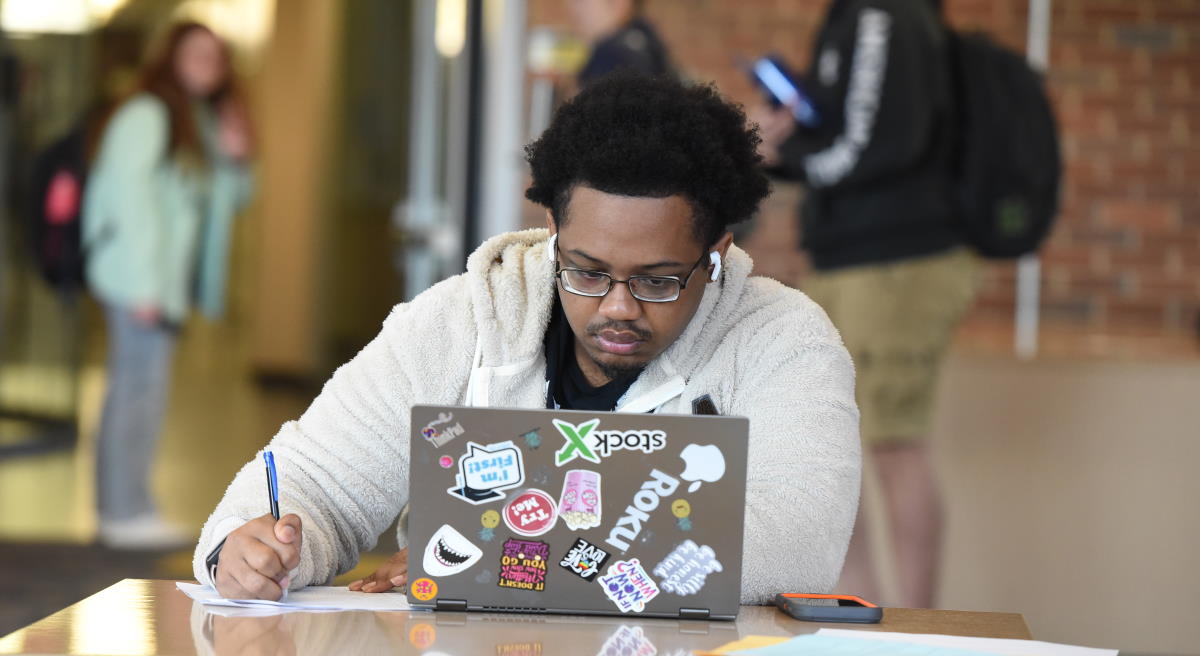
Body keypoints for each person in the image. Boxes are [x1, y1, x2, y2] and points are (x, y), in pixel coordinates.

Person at [193, 73, 860, 604]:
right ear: (551, 229)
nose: (617, 308)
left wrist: (495, 557)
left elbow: (795, 540)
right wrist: (247, 549)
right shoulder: (460, 320)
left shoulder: (784, 342)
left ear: (716, 252)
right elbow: (316, 482)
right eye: (587, 272)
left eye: (658, 280)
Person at [752, 0, 977, 608]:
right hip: (852, 258)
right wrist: (794, 131)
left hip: (892, 264)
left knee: (893, 446)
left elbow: (874, 143)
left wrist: (786, 154)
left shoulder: (883, 14)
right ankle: (866, 619)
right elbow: (854, 128)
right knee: (835, 445)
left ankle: (911, 629)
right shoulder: (852, 17)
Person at [84, 22, 255, 549]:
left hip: (160, 283)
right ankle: (123, 511)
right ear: (171, 59)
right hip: (138, 281)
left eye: (216, 57)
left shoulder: (193, 121)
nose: (208, 66)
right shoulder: (146, 114)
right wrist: (143, 287)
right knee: (137, 391)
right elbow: (129, 200)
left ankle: (127, 507)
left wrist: (234, 151)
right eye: (195, 55)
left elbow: (232, 200)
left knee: (142, 390)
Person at [569, 0, 672, 85]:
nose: (572, 7)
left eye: (581, 1)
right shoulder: (644, 39)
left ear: (619, 3)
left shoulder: (612, 56)